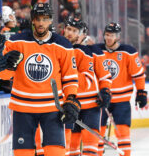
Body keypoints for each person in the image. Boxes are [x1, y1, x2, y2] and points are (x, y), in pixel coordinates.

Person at [4, 3, 80, 156]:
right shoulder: (15, 42)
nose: (40, 23)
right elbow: (3, 75)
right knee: (22, 153)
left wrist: (71, 99)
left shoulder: (63, 45)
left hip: (52, 108)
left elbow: (70, 77)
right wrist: (7, 65)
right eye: (37, 19)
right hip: (22, 107)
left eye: (45, 19)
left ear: (51, 21)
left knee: (56, 152)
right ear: (32, 20)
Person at [97, 22, 147, 156]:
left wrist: (141, 92)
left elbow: (138, 75)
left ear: (118, 36)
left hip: (121, 101)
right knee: (97, 134)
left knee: (123, 132)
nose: (108, 38)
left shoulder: (128, 52)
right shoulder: (97, 50)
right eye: (107, 34)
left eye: (112, 35)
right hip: (102, 99)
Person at [63, 17, 110, 156]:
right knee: (71, 148)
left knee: (91, 148)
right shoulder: (59, 48)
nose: (70, 33)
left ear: (83, 34)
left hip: (90, 104)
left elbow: (104, 75)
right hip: (70, 104)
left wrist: (105, 90)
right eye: (69, 29)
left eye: (75, 31)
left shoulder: (92, 51)